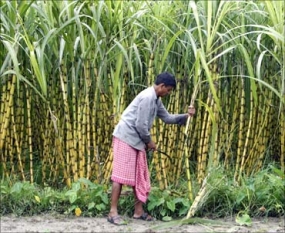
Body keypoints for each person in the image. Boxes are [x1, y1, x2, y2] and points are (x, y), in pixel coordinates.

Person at [107, 72, 196, 225]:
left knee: (139, 174)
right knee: (120, 176)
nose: (168, 93)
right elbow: (140, 125)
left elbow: (167, 118)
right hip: (125, 137)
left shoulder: (156, 99)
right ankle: (112, 212)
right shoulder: (148, 97)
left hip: (136, 140)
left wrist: (186, 116)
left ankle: (138, 211)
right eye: (168, 90)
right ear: (161, 86)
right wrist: (150, 142)